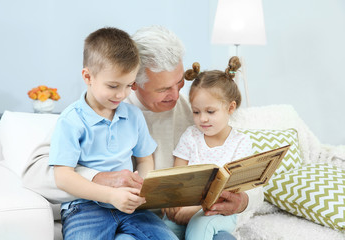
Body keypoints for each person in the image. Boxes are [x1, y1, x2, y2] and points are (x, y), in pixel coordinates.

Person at [22, 25, 263, 240]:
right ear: (134, 83)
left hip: (175, 220)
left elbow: (249, 175)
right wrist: (99, 177)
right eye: (164, 88)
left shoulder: (199, 113)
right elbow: (36, 173)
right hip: (111, 211)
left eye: (179, 82)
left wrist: (243, 201)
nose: (176, 93)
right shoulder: (100, 110)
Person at [48, 27, 177, 239]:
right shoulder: (71, 120)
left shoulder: (133, 116)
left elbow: (145, 160)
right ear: (88, 76)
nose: (121, 94)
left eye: (129, 85)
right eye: (113, 86)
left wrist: (139, 189)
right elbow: (63, 177)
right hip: (85, 208)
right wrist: (110, 195)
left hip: (129, 207)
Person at [162, 57, 254, 240]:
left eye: (210, 112)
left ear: (230, 108)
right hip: (185, 206)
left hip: (218, 212)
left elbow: (229, 192)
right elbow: (177, 176)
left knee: (200, 224)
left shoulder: (240, 143)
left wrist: (195, 209)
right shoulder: (191, 136)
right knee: (162, 229)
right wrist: (173, 203)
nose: (202, 119)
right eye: (196, 112)